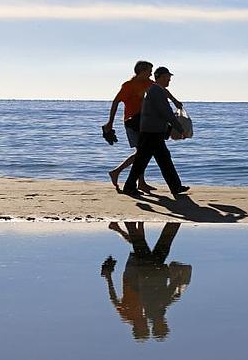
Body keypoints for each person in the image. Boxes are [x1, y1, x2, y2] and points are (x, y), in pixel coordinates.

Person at [101, 222, 192, 341]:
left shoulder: (155, 311)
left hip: (151, 268)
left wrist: (178, 281)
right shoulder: (152, 312)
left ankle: (174, 221)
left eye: (163, 326)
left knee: (161, 240)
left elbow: (167, 293)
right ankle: (131, 221)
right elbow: (163, 294)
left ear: (157, 326)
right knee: (142, 242)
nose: (166, 324)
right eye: (165, 326)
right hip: (147, 269)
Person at [103, 61, 183, 192]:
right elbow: (116, 102)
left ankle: (136, 181)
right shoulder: (129, 86)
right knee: (143, 153)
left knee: (144, 152)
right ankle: (124, 176)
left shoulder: (149, 83)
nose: (151, 73)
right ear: (142, 71)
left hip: (146, 121)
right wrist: (110, 122)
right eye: (149, 71)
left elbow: (163, 89)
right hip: (133, 121)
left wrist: (174, 100)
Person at [122, 66, 189, 196]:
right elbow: (166, 113)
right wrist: (180, 128)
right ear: (162, 77)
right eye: (168, 78)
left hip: (153, 131)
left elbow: (164, 112)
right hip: (151, 133)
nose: (169, 81)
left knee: (162, 159)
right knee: (144, 161)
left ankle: (176, 187)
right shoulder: (156, 91)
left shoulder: (157, 90)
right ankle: (129, 186)